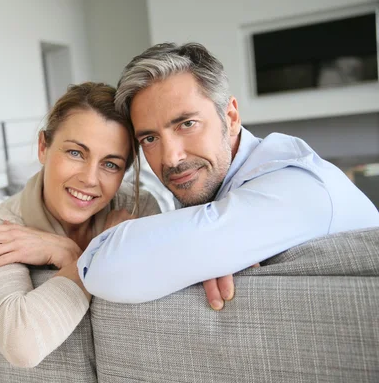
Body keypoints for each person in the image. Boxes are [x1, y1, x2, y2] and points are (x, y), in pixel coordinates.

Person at [77, 42, 379, 307]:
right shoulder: (220, 188)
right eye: (150, 139)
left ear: (231, 117)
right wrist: (207, 255)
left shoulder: (295, 187)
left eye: (187, 124)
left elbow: (104, 269)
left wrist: (76, 252)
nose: (171, 158)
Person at [0, 82, 163, 368]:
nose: (90, 179)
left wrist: (80, 254)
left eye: (110, 164)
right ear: (44, 147)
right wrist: (87, 255)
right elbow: (22, 346)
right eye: (76, 153)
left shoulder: (136, 208)